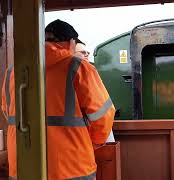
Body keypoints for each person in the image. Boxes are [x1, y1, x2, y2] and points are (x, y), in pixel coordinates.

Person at [2, 19, 115, 179]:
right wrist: (93, 143)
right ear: (71, 43)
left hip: (22, 165)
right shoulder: (78, 67)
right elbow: (103, 115)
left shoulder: (12, 72)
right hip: (72, 167)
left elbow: (8, 113)